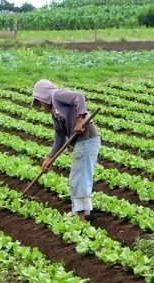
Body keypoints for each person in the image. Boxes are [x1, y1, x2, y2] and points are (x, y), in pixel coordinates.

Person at [32, 79, 101, 221]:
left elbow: (79, 96)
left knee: (79, 177)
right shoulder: (55, 114)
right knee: (79, 176)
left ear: (44, 96)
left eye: (39, 101)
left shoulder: (56, 95)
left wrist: (80, 120)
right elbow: (60, 139)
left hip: (87, 138)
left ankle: (81, 217)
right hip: (82, 141)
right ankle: (80, 212)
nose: (40, 105)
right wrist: (49, 158)